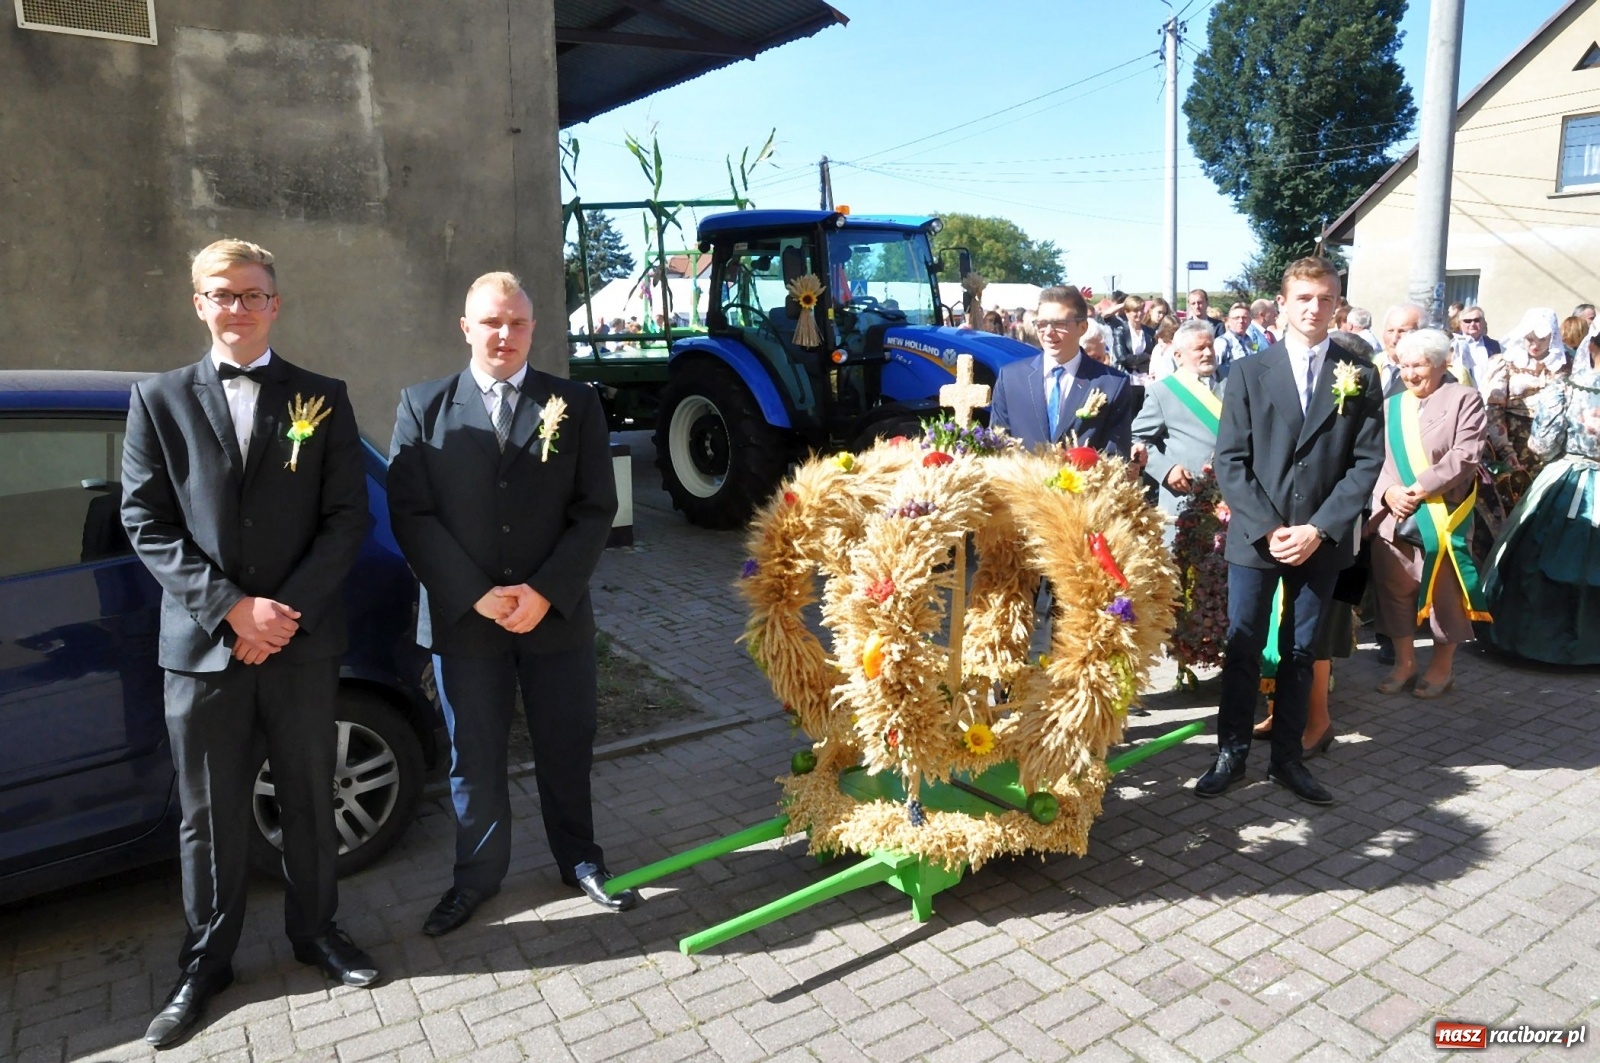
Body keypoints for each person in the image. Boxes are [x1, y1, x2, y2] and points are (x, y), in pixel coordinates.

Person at [121, 239, 378, 1048]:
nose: (238, 308)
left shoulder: (322, 397)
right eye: (222, 294)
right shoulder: (155, 400)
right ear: (199, 303)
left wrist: (283, 613)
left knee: (309, 796)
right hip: (201, 651)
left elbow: (347, 520)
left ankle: (319, 932)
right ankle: (205, 964)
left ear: (276, 303)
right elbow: (146, 522)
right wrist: (233, 609)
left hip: (298, 645)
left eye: (253, 294)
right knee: (210, 815)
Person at [387, 272, 637, 938]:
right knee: (475, 753)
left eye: (517, 323)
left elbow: (594, 510)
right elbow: (411, 513)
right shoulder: (423, 405)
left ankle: (580, 859)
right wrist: (477, 593)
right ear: (466, 327)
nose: (505, 334)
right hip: (465, 621)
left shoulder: (575, 403)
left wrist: (546, 590)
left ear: (532, 328)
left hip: (552, 615)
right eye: (491, 322)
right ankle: (475, 877)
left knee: (566, 742)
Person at [1196, 256, 1384, 807]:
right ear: (1282, 303)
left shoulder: (1359, 373)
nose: (1315, 308)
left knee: (1302, 650)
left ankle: (1287, 759)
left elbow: (1365, 462)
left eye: (1326, 298)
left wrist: (1320, 530)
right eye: (1304, 297)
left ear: (1337, 304)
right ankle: (1230, 752)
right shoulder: (1249, 373)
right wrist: (1271, 527)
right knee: (1243, 645)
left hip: (1319, 542)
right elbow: (1231, 460)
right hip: (1258, 537)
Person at [1365, 329, 1490, 698]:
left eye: (1418, 365)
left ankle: (1442, 666)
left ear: (1440, 363)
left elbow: (1465, 455)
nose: (1409, 373)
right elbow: (1376, 459)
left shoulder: (1464, 400)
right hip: (1395, 514)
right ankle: (1404, 662)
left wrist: (1417, 490)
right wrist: (1388, 493)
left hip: (1441, 513)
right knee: (1395, 590)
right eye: (1403, 365)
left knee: (1444, 593)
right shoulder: (1392, 406)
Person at [1482, 325, 1600, 664]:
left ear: (1589, 348)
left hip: (1571, 479)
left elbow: (1544, 446)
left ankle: (1540, 643)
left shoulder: (1565, 389)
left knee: (1539, 555)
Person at [990, 285, 1135, 454]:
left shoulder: (1111, 384)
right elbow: (998, 448)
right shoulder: (1011, 378)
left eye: (1059, 324)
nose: (1049, 333)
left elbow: (1114, 457)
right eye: (1042, 324)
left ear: (1082, 327)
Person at [1132, 319, 1224, 539]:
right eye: (1199, 348)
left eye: (1210, 346)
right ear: (1179, 356)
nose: (1208, 353)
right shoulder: (1163, 392)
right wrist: (1166, 469)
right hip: (1185, 496)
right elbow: (1136, 438)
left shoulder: (1233, 383)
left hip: (1231, 497)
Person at [1484, 308, 1566, 501]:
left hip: (1552, 440)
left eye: (1542, 339)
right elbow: (1494, 408)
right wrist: (1506, 450)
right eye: (1529, 339)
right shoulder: (1506, 362)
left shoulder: (1563, 364)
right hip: (1512, 437)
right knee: (1513, 494)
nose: (1535, 345)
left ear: (1552, 338)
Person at [1375, 304, 1424, 397]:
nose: (1394, 339)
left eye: (1402, 331)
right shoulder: (1372, 364)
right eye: (1390, 331)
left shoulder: (1428, 373)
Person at [1452, 307, 1500, 390]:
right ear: (1460, 324)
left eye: (1476, 320)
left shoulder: (1494, 345)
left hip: (1487, 395)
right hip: (1462, 394)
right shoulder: (1453, 344)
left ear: (1483, 322)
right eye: (1467, 321)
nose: (1472, 324)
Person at [1216, 302, 1257, 376]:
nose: (1241, 321)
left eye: (1244, 318)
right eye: (1236, 318)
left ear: (1250, 320)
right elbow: (1216, 369)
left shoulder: (1251, 341)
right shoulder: (1222, 342)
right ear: (1229, 320)